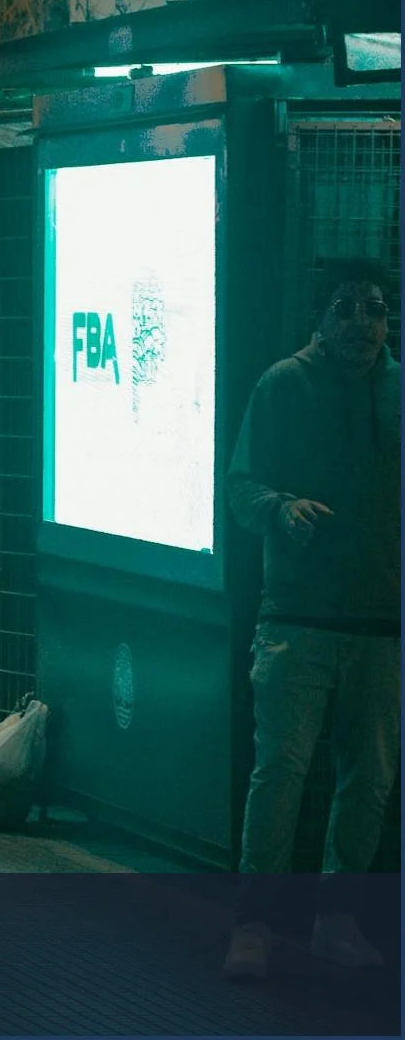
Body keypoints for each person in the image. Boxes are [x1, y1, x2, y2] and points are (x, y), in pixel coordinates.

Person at [221, 259, 400, 980]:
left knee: (370, 781)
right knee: (281, 775)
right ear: (319, 319)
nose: (362, 322)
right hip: (296, 619)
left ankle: (338, 922)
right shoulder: (283, 385)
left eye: (375, 309)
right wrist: (280, 508)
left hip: (383, 625)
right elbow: (240, 485)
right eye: (345, 307)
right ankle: (253, 923)